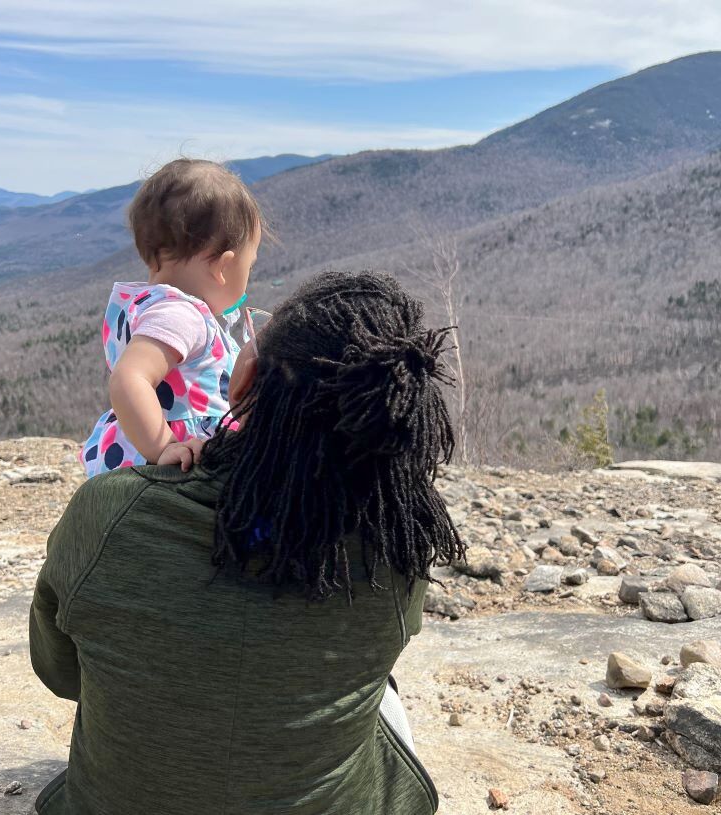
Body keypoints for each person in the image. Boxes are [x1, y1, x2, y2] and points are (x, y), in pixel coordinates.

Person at [30, 270, 466, 814]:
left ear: (243, 381)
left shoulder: (110, 511)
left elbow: (60, 671)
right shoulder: (393, 549)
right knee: (385, 699)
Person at [80, 158, 263, 478]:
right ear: (223, 267)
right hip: (170, 464)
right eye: (249, 266)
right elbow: (129, 378)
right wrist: (163, 445)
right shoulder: (180, 315)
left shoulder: (144, 304)